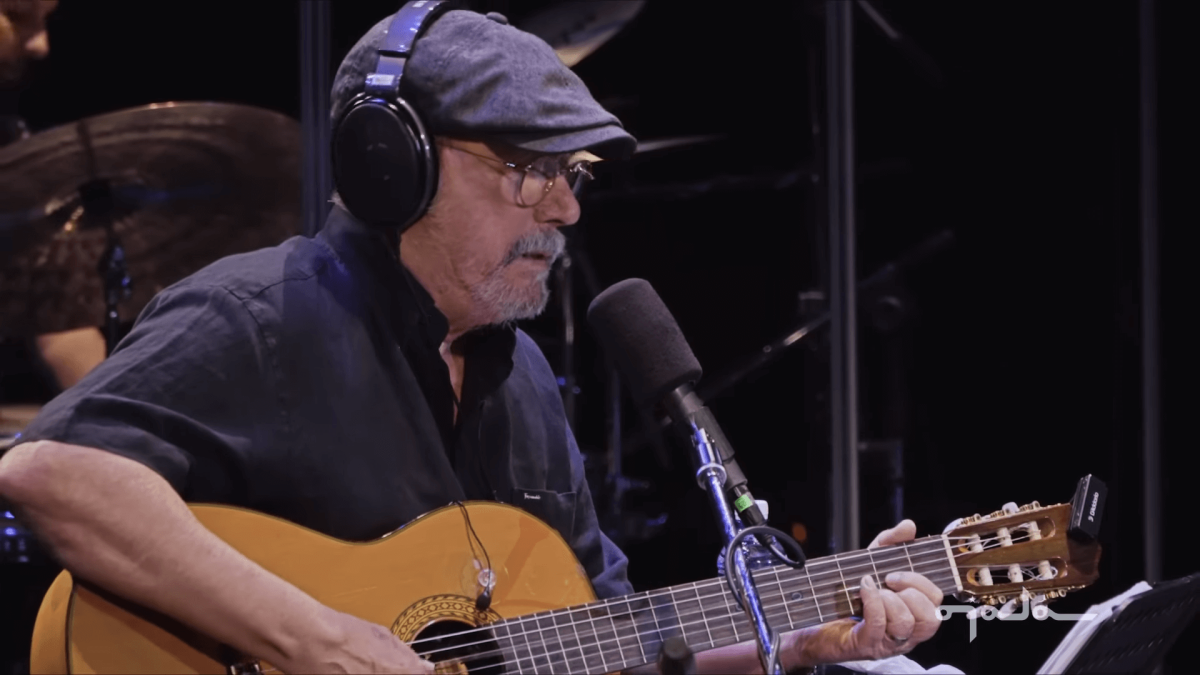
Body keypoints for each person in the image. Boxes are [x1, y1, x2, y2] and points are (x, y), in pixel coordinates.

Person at [0, 7, 943, 674]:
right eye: (531, 170)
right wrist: (310, 639)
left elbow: (608, 635)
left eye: (571, 174)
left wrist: (802, 635)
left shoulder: (522, 377)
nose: (567, 207)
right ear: (392, 165)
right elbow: (51, 472)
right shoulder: (262, 313)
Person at [2, 0, 108, 392]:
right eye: (16, 18)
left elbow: (61, 322)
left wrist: (117, 426)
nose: (40, 46)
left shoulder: (9, 142)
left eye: (44, 22)